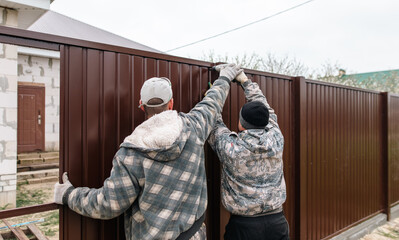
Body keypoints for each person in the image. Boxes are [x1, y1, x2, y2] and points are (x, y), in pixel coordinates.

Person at [53, 64, 243, 240]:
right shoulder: (195, 126)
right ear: (171, 103)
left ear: (142, 106)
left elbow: (108, 204)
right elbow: (213, 102)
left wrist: (68, 195)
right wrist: (225, 76)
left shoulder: (130, 153)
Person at [208, 69, 289, 240]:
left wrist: (216, 90)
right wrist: (245, 81)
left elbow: (213, 122)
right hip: (277, 222)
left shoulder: (232, 147)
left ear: (241, 123)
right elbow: (264, 106)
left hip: (244, 228)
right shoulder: (276, 137)